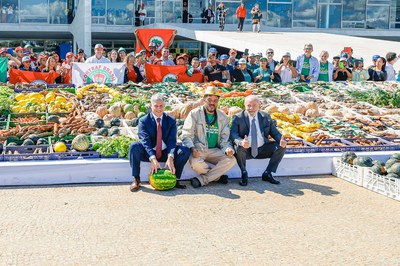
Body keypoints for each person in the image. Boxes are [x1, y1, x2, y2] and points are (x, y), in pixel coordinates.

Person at [128, 94, 191, 192]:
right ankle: (136, 179)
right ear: (151, 106)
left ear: (164, 106)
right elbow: (145, 141)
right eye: (156, 106)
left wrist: (170, 157)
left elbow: (171, 140)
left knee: (185, 151)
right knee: (134, 146)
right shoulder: (143, 121)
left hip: (165, 152)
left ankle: (175, 179)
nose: (158, 108)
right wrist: (152, 158)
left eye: (161, 106)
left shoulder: (171, 120)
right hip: (150, 153)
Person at [181, 87, 237, 188]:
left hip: (215, 150)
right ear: (204, 100)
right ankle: (217, 177)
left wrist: (228, 149)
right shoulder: (194, 114)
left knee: (232, 160)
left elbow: (225, 139)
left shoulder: (223, 116)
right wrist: (192, 148)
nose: (212, 103)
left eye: (215, 100)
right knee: (195, 163)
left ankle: (203, 179)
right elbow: (186, 134)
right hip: (199, 149)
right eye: (209, 100)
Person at [230, 95, 286, 186]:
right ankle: (244, 173)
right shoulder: (238, 117)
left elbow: (275, 133)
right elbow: (233, 134)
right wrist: (241, 142)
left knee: (281, 146)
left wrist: (281, 140)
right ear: (244, 105)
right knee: (239, 147)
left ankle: (268, 173)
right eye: (248, 105)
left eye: (254, 105)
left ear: (259, 105)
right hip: (246, 150)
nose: (251, 108)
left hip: (262, 148)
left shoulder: (265, 116)